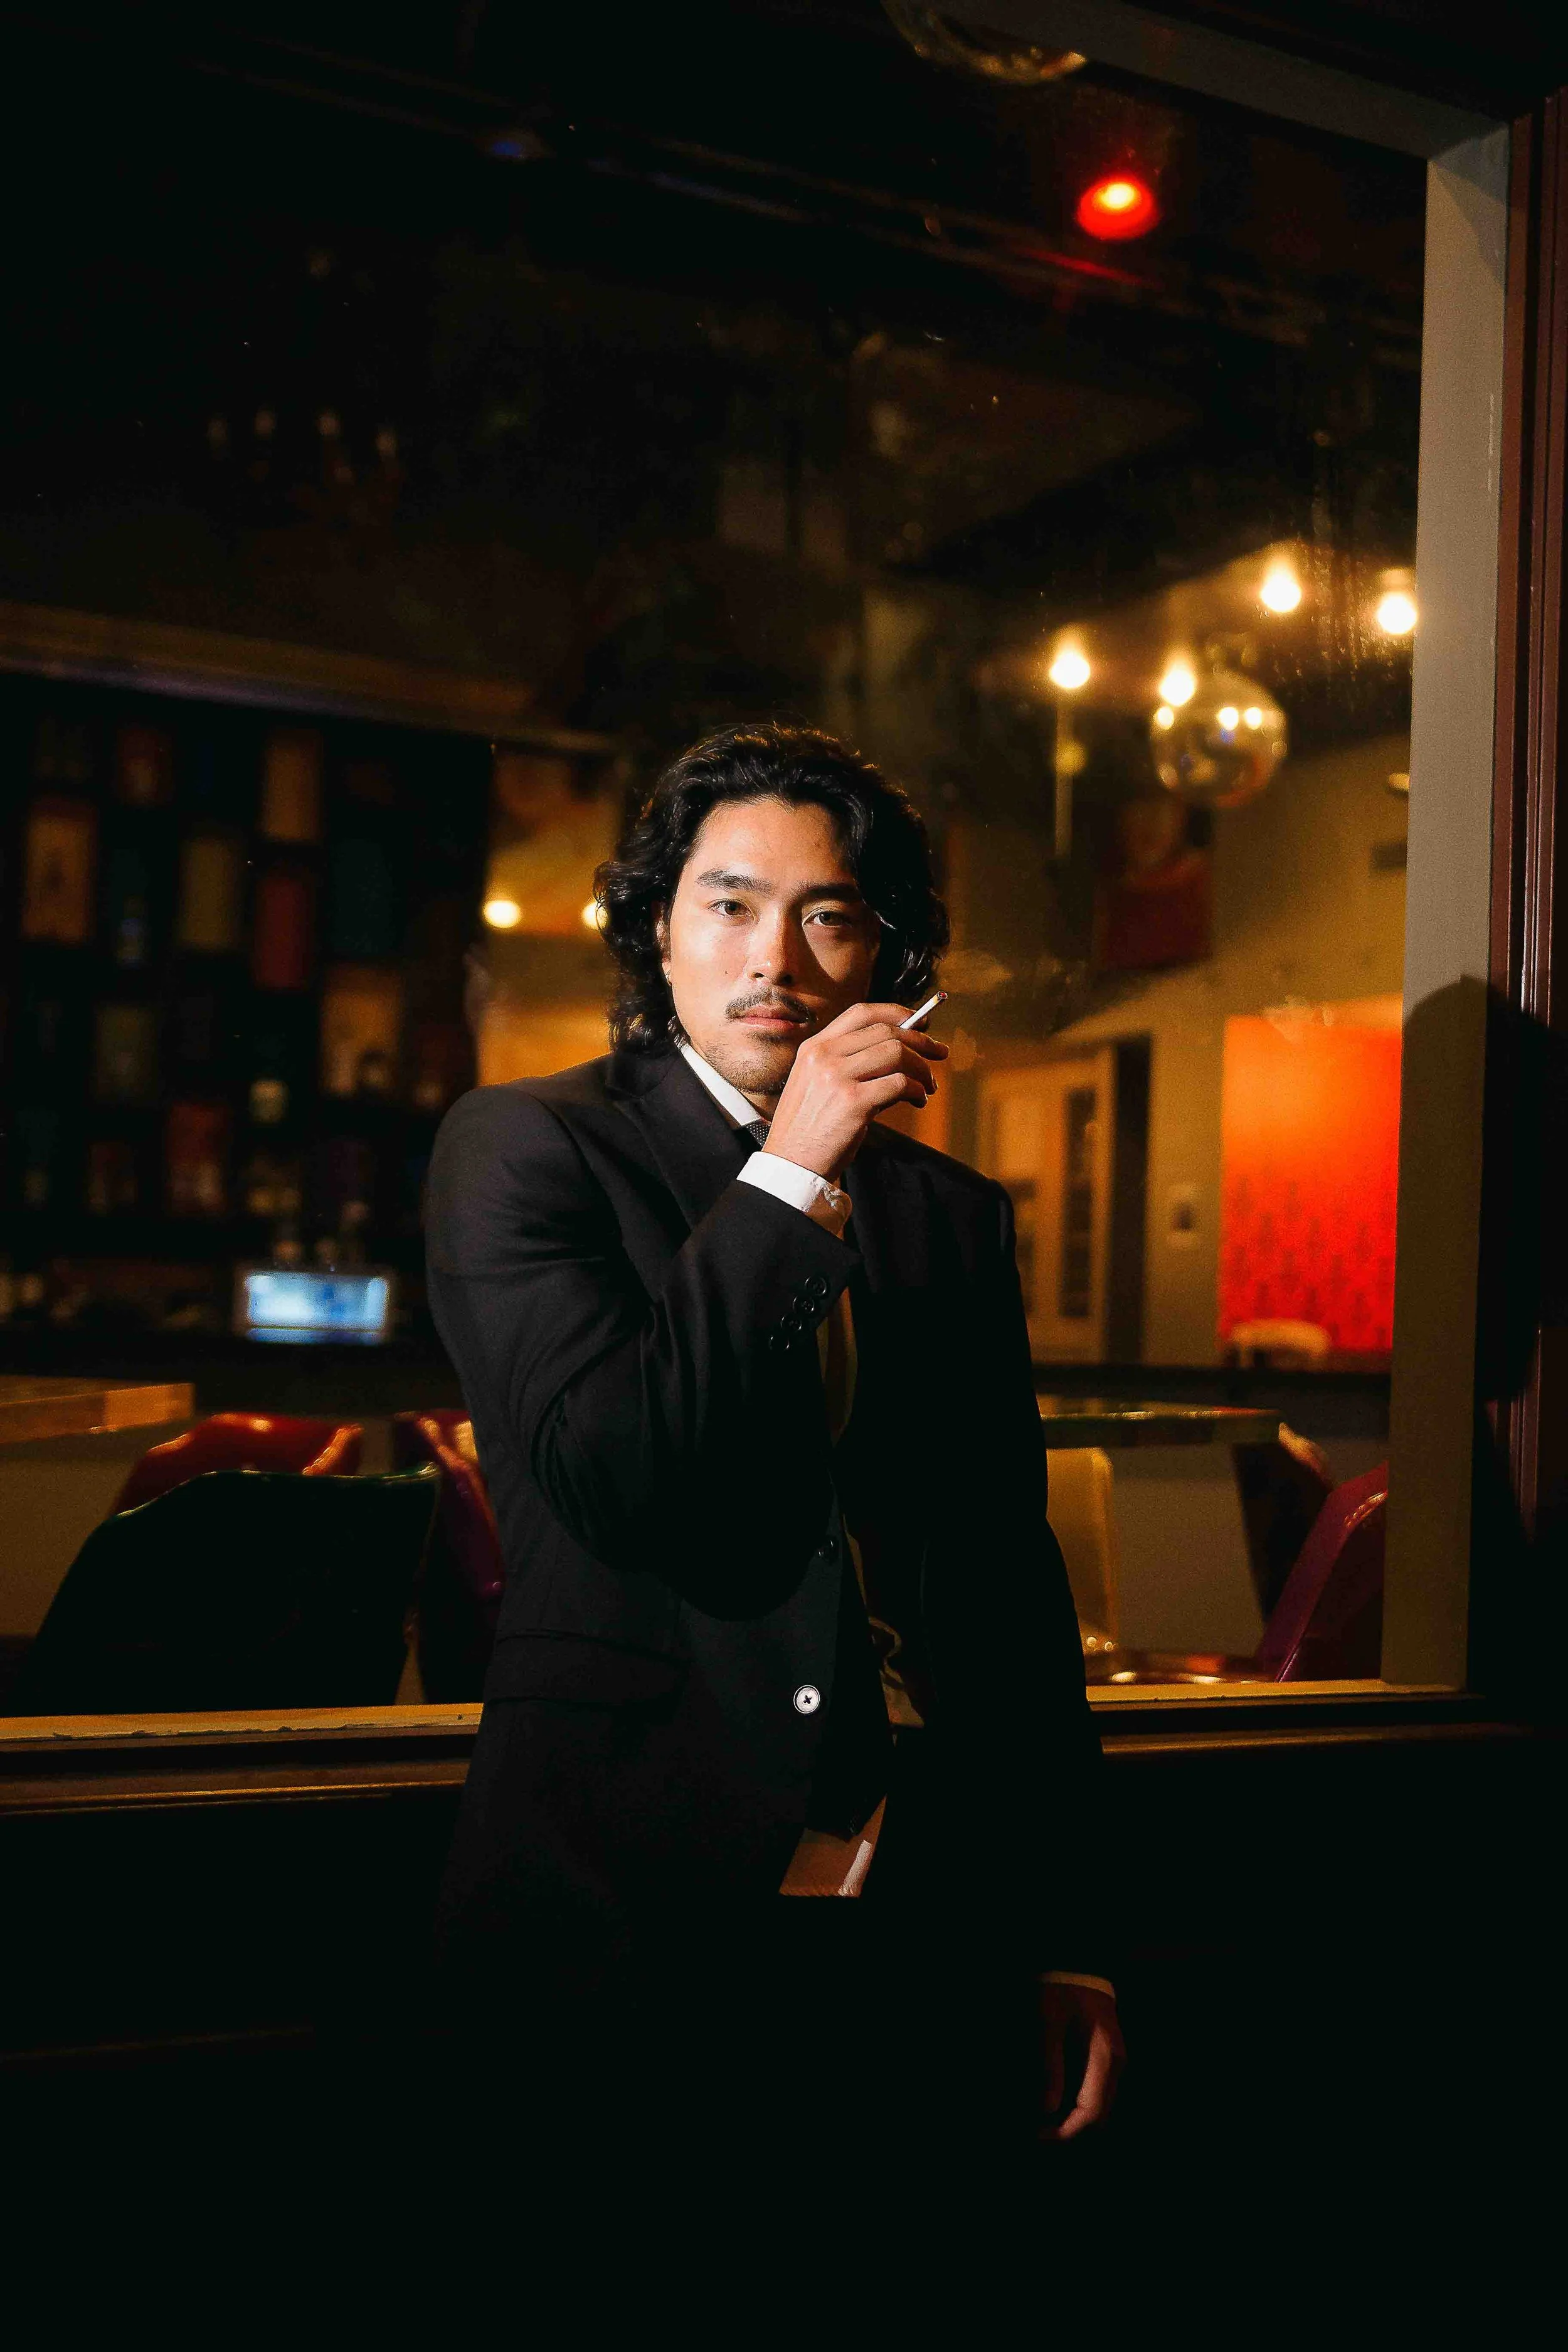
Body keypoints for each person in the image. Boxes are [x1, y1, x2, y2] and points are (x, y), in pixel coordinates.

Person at [425, 723, 1122, 2195]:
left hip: (920, 1895)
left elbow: (1001, 1572)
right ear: (656, 934)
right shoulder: (524, 1148)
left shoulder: (949, 1214)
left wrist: (1063, 1923)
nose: (775, 960)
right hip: (626, 1879)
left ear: (884, 957)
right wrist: (788, 1171)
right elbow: (618, 1474)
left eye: (829, 915)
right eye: (727, 903)